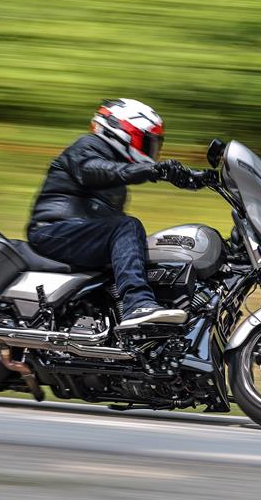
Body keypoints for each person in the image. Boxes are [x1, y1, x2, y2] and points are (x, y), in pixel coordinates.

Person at [27, 98, 197, 331]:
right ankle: (137, 304)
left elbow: (117, 173)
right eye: (148, 141)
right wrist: (152, 170)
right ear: (122, 132)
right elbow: (94, 170)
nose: (152, 149)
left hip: (78, 234)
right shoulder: (87, 146)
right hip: (53, 230)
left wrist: (199, 178)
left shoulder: (116, 169)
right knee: (127, 227)